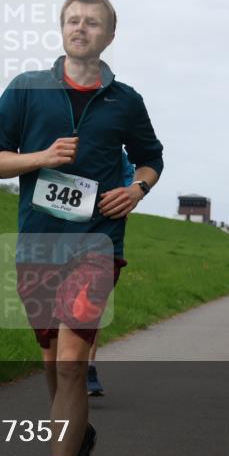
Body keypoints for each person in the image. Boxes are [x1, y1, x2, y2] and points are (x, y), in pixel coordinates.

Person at [0, 0, 163, 456]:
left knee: (70, 363)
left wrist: (137, 190)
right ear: (61, 29)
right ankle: (77, 440)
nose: (80, 28)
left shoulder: (125, 100)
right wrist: (42, 157)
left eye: (92, 22)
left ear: (110, 35)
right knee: (51, 365)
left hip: (96, 244)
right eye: (72, 20)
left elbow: (151, 158)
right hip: (38, 243)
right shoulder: (25, 90)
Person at [85, 150, 134, 397]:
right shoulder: (57, 140)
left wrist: (126, 200)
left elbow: (129, 182)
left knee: (91, 308)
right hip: (56, 234)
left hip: (99, 234)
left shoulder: (115, 151)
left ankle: (88, 367)